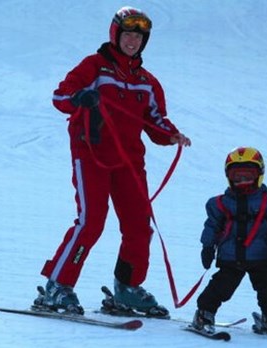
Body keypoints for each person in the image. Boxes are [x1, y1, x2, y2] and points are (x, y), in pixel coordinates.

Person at [37, 6, 191, 316]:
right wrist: (79, 98)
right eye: (127, 35)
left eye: (138, 37)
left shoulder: (147, 81)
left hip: (128, 162)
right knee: (91, 222)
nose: (132, 41)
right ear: (115, 35)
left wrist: (172, 135)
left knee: (138, 225)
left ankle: (128, 289)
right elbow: (60, 97)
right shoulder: (94, 67)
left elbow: (156, 121)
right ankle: (57, 286)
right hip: (91, 153)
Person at [191, 147, 267, 337]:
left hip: (261, 257)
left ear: (259, 175)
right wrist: (207, 246)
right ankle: (203, 314)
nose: (242, 182)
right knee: (220, 288)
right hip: (231, 258)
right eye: (236, 177)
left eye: (248, 176)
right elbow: (212, 226)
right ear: (228, 177)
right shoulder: (220, 203)